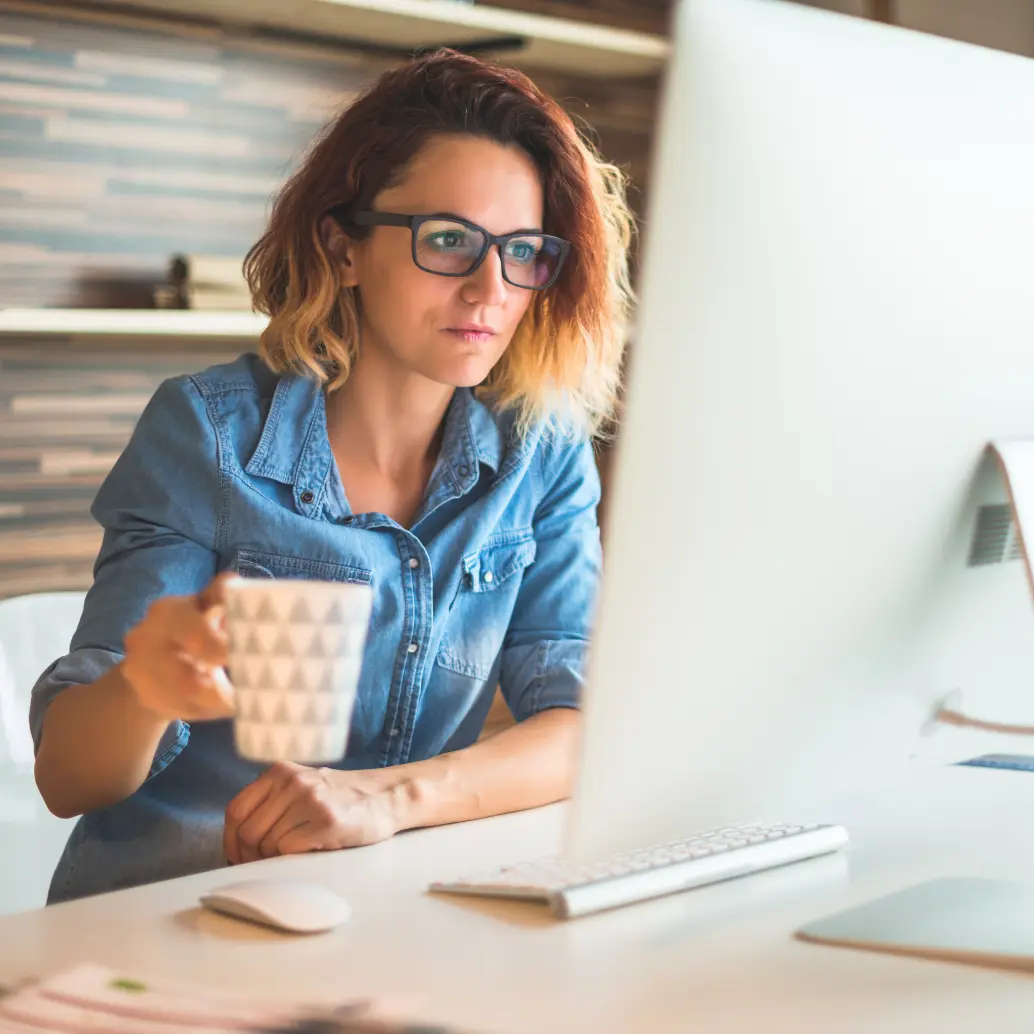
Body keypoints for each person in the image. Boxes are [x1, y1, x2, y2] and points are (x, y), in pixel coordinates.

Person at [29, 50, 634, 903]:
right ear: (340, 246)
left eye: (524, 251)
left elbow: (581, 729)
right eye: (450, 241)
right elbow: (67, 779)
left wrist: (386, 799)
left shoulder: (542, 450)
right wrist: (143, 687)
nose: (491, 289)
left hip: (381, 921)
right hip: (166, 915)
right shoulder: (209, 434)